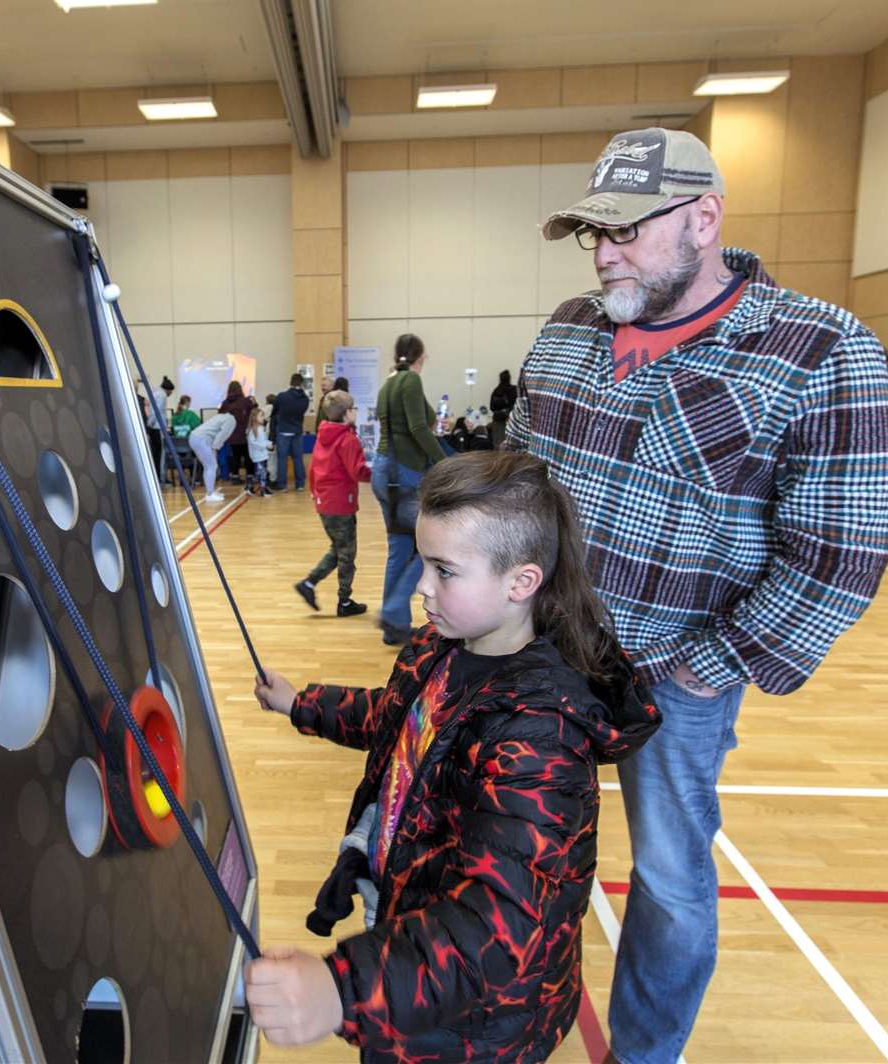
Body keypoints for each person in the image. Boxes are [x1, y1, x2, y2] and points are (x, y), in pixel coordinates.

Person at [509, 126, 888, 1063]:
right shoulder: (569, 330)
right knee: (511, 845)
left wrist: (702, 672)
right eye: (590, 234)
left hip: (674, 680)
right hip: (541, 657)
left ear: (704, 218)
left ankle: (645, 1054)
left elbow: (841, 555)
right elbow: (516, 478)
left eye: (626, 230)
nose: (603, 253)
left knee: (673, 882)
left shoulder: (821, 351)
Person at [247, 452, 660, 1060]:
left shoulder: (538, 734)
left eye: (445, 570)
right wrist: (301, 703)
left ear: (521, 582)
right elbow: (395, 719)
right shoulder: (444, 646)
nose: (421, 587)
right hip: (412, 945)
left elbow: (496, 925)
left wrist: (340, 989)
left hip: (478, 1024)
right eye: (423, 563)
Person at [372, 334, 450, 647]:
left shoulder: (389, 382)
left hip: (383, 470)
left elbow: (416, 422)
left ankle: (395, 627)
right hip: (405, 471)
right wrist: (444, 463)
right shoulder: (411, 383)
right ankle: (392, 610)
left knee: (400, 549)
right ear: (420, 356)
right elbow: (419, 429)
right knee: (425, 550)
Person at [294, 390, 370, 617]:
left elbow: (313, 467)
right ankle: (344, 601)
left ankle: (308, 584)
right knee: (347, 554)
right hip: (340, 504)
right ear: (347, 413)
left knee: (339, 549)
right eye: (354, 408)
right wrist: (380, 474)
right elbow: (358, 472)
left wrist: (313, 490)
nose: (356, 411)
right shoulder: (348, 439)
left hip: (324, 501)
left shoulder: (324, 434)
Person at [272, 372, 312, 492]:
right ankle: (300, 484)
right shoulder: (305, 399)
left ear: (291, 382)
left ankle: (282, 485)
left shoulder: (281, 396)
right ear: (302, 384)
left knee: (282, 459)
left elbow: (275, 413)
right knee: (298, 458)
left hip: (283, 430)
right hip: (297, 431)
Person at [188, 410, 237, 503]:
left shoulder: (222, 416)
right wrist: (215, 447)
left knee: (209, 466)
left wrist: (214, 447)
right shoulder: (232, 420)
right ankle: (210, 494)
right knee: (211, 466)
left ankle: (210, 492)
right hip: (201, 439)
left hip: (196, 437)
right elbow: (222, 435)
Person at [218, 380, 254, 482]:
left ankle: (235, 476)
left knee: (235, 456)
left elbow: (220, 417)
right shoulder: (246, 401)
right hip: (245, 434)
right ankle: (250, 476)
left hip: (231, 434)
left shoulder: (225, 403)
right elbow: (253, 414)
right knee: (247, 455)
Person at [245, 407, 274, 498]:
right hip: (257, 456)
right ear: (254, 418)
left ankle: (251, 487)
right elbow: (253, 443)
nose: (263, 418)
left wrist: (269, 444)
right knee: (262, 473)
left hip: (263, 455)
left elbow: (264, 440)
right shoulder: (252, 430)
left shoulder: (261, 428)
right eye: (261, 416)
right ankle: (263, 490)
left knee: (260, 473)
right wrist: (264, 445)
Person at [488, 370, 517, 447]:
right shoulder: (514, 390)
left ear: (500, 379)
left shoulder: (496, 391)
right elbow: (517, 405)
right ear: (509, 378)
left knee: (498, 444)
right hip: (510, 420)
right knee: (510, 444)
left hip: (497, 420)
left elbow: (491, 407)